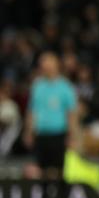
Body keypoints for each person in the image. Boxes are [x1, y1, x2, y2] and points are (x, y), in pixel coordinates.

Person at [24, 53, 79, 190]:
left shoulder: (65, 87)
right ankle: (45, 197)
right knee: (41, 169)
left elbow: (71, 114)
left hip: (59, 133)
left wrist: (72, 135)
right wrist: (29, 132)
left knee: (59, 169)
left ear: (56, 65)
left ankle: (59, 197)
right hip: (41, 133)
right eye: (43, 63)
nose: (45, 66)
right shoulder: (37, 86)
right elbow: (32, 111)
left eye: (48, 63)